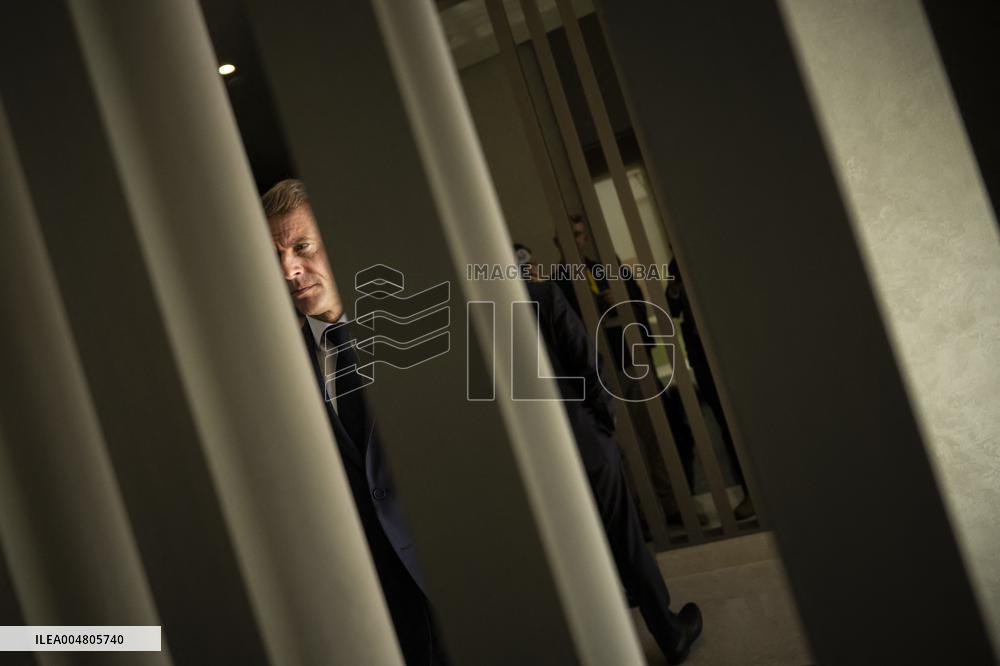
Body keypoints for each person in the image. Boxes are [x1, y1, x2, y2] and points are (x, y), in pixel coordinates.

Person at [262, 179, 447, 666]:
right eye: (277, 255)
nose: (289, 269)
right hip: (370, 602)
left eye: (301, 246)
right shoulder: (277, 368)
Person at [518, 257, 703, 663]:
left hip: (530, 462)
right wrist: (601, 425)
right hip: (584, 441)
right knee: (624, 534)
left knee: (568, 550)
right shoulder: (544, 295)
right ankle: (668, 632)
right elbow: (586, 362)